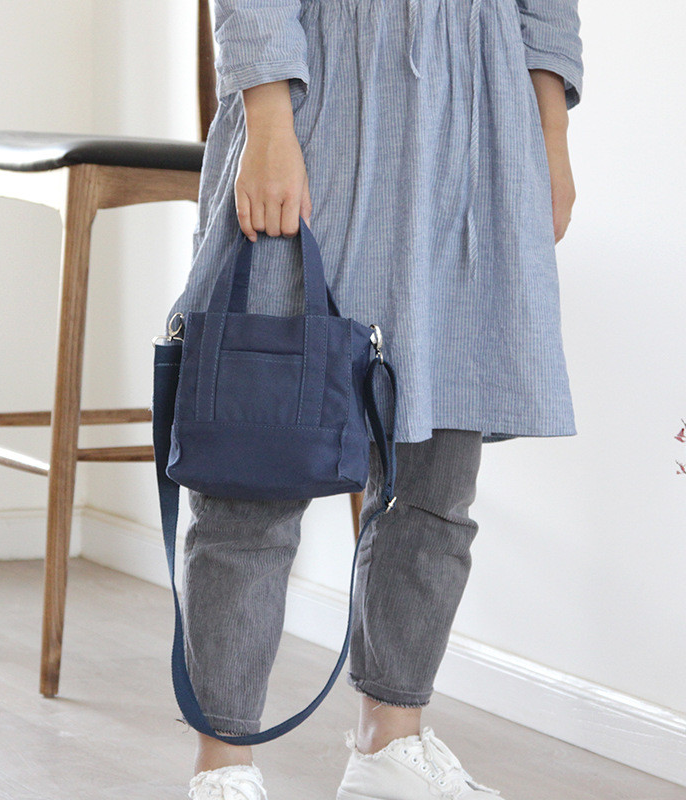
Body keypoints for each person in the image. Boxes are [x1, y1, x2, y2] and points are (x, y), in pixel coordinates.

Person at [165, 0, 584, 797]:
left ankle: (390, 743)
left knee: (437, 481)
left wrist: (550, 139)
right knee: (252, 471)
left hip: (480, 130)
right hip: (317, 103)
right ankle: (223, 764)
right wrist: (268, 121)